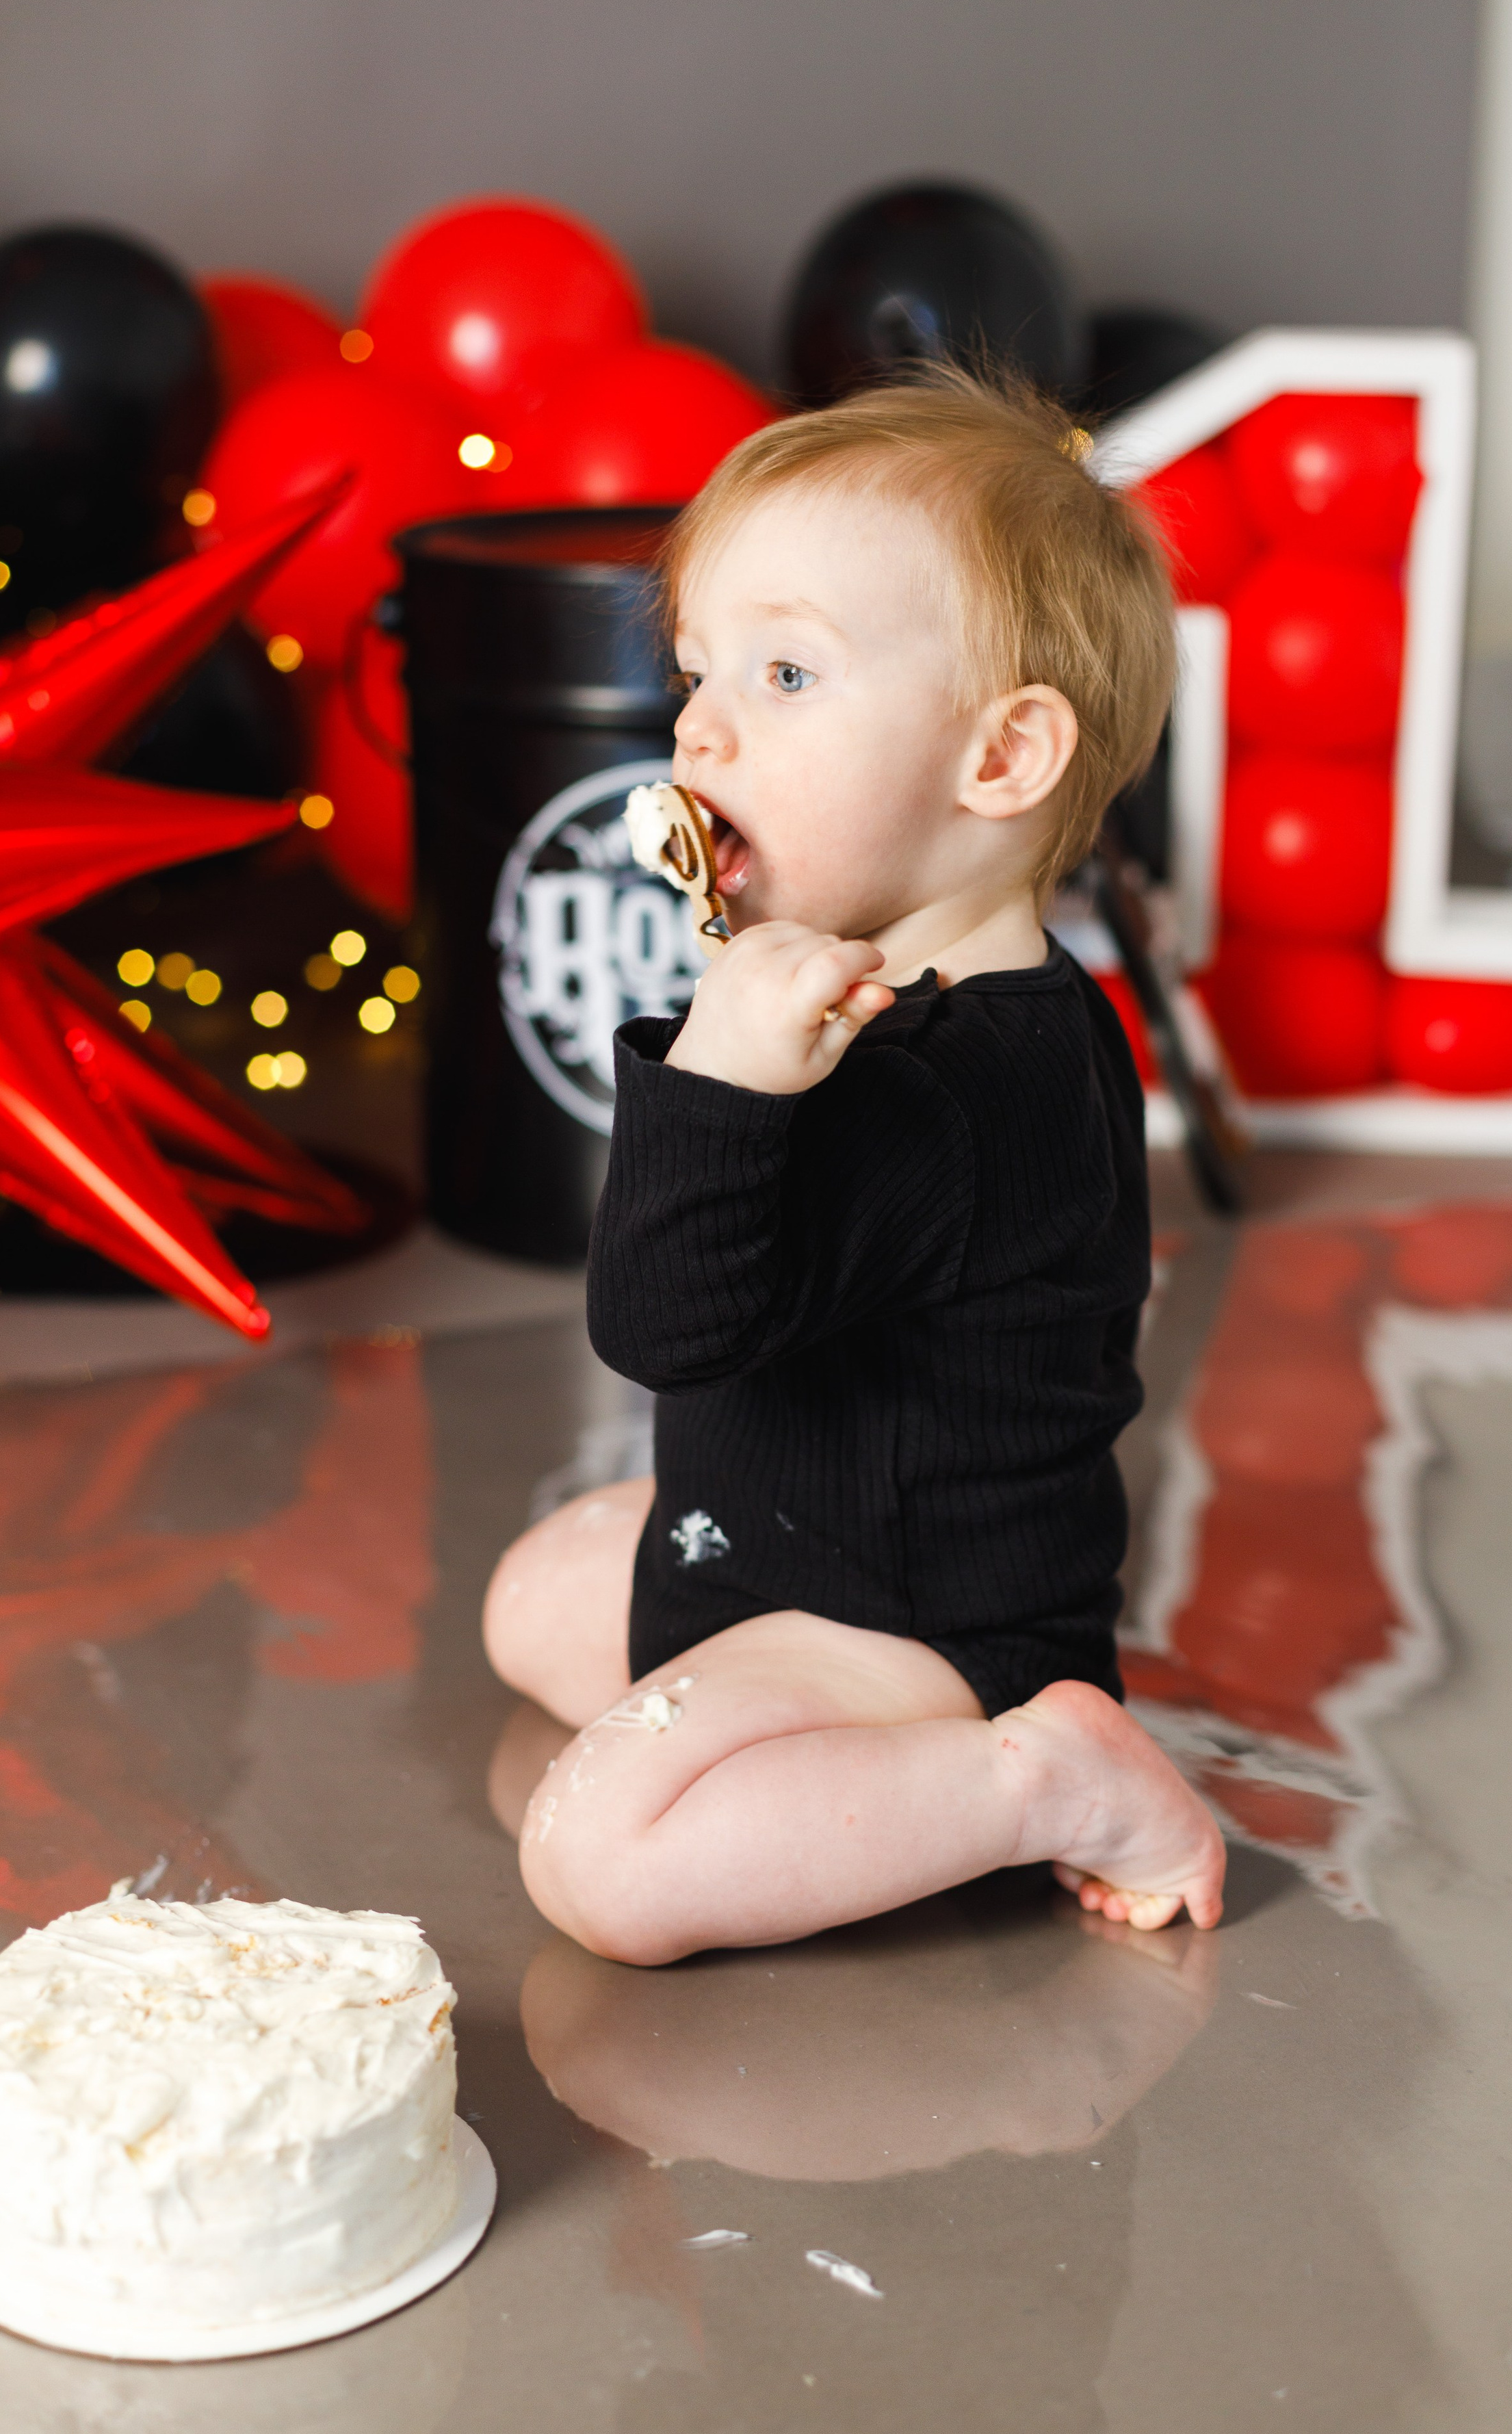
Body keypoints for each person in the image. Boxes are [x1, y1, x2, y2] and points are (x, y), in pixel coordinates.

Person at [483, 365, 1225, 1964]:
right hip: (794, 1528)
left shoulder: (954, 1088)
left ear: (999, 758)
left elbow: (663, 1326)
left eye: (784, 673)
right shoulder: (924, 999)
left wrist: (717, 1082)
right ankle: (807, 1757)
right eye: (696, 672)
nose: (698, 727)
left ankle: (1033, 1776)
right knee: (535, 1596)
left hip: (910, 1617)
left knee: (601, 1858)